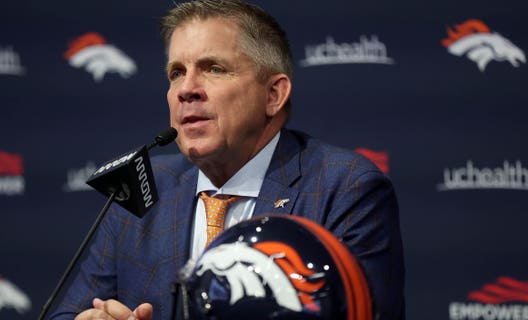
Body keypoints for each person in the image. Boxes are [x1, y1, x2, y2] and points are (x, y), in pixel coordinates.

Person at [50, 0, 405, 319]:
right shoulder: (143, 191)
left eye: (214, 68)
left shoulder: (344, 189)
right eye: (176, 72)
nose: (187, 89)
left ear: (273, 95)